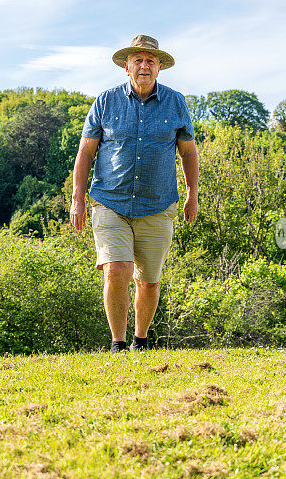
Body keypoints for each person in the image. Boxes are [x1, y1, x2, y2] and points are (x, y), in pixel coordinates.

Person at [69, 34, 199, 353]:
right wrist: (77, 197)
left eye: (150, 61)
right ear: (126, 67)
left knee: (149, 280)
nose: (144, 65)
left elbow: (188, 152)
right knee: (118, 269)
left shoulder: (176, 102)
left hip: (157, 205)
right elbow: (86, 152)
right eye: (137, 60)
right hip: (110, 201)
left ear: (159, 68)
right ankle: (118, 343)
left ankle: (141, 339)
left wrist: (193, 194)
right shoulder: (105, 101)